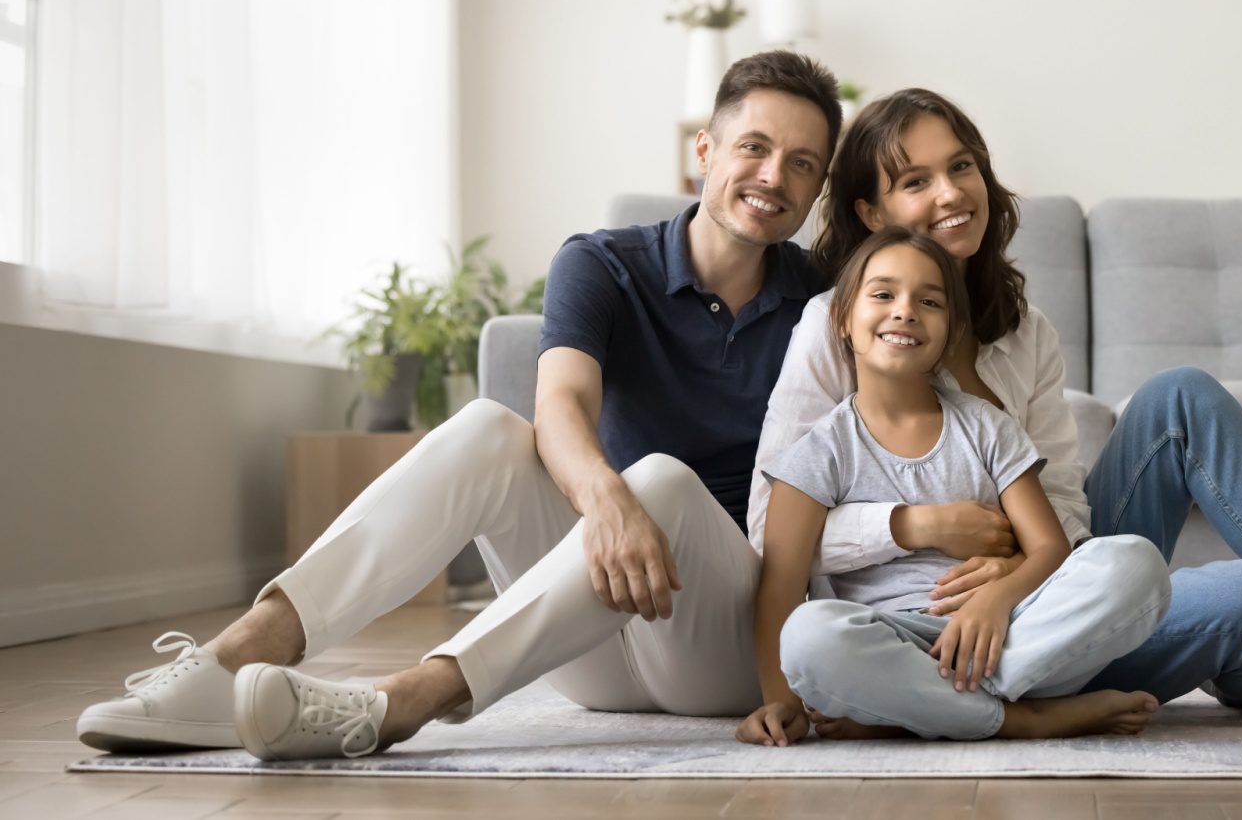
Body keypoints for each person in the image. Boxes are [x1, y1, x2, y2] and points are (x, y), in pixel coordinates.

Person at [77, 50, 844, 759]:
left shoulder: (828, 301)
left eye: (801, 164)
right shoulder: (603, 263)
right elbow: (562, 406)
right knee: (488, 426)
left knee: (665, 482)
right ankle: (232, 661)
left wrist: (633, 496)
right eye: (754, 146)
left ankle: (402, 701)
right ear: (705, 151)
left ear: (816, 190)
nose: (773, 176)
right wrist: (605, 500)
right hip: (586, 636)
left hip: (720, 647)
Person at [750, 88, 1242, 727]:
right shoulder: (832, 326)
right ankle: (1037, 705)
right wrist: (910, 524)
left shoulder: (1026, 331)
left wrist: (1016, 566)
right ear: (870, 209)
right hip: (908, 620)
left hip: (1052, 608)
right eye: (915, 182)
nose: (950, 193)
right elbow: (769, 532)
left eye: (961, 167)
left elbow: (1068, 529)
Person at [738, 227, 1167, 746]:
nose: (905, 311)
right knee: (809, 637)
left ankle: (913, 712)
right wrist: (780, 702)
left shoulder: (988, 426)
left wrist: (997, 600)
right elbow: (780, 588)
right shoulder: (817, 452)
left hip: (1008, 633)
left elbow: (1050, 548)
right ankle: (1025, 718)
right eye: (882, 294)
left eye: (929, 301)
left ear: (950, 331)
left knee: (1134, 563)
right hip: (890, 640)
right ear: (843, 322)